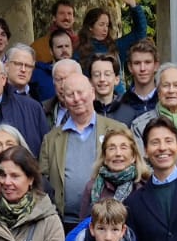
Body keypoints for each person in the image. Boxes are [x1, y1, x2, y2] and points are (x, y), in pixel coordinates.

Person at [38, 77, 129, 229]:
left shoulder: (117, 130)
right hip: (63, 223)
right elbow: (42, 180)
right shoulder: (51, 138)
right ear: (64, 100)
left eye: (80, 92)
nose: (76, 99)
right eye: (70, 94)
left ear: (92, 93)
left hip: (108, 223)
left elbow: (132, 171)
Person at [127, 62, 177, 142]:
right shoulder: (140, 125)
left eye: (176, 85)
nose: (171, 90)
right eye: (166, 85)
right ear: (158, 92)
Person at [114, 38, 161, 126]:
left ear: (156, 66)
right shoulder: (119, 104)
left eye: (147, 62)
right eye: (137, 63)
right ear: (130, 67)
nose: (142, 68)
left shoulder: (165, 101)